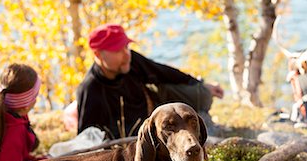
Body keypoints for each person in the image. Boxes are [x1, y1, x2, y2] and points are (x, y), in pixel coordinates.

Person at [76, 23, 224, 139]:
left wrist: (198, 83)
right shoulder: (90, 89)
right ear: (98, 55)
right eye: (117, 50)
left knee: (203, 94)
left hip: (157, 103)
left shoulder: (130, 60)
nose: (126, 54)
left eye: (126, 47)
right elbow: (87, 137)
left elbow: (162, 72)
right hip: (144, 133)